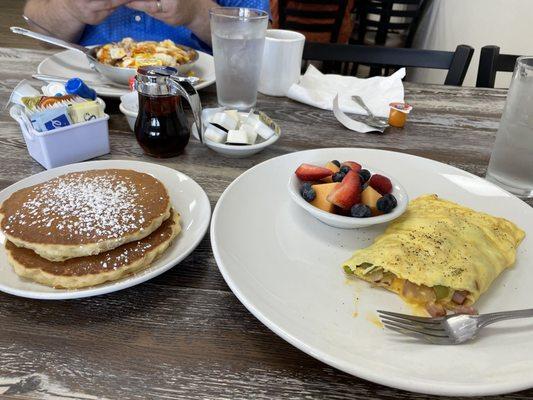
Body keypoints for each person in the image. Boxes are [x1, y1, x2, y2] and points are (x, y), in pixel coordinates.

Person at [24, 0, 270, 51]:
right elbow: (38, 30)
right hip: (84, 99)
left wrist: (195, 12)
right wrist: (69, 9)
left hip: (199, 107)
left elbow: (256, 47)